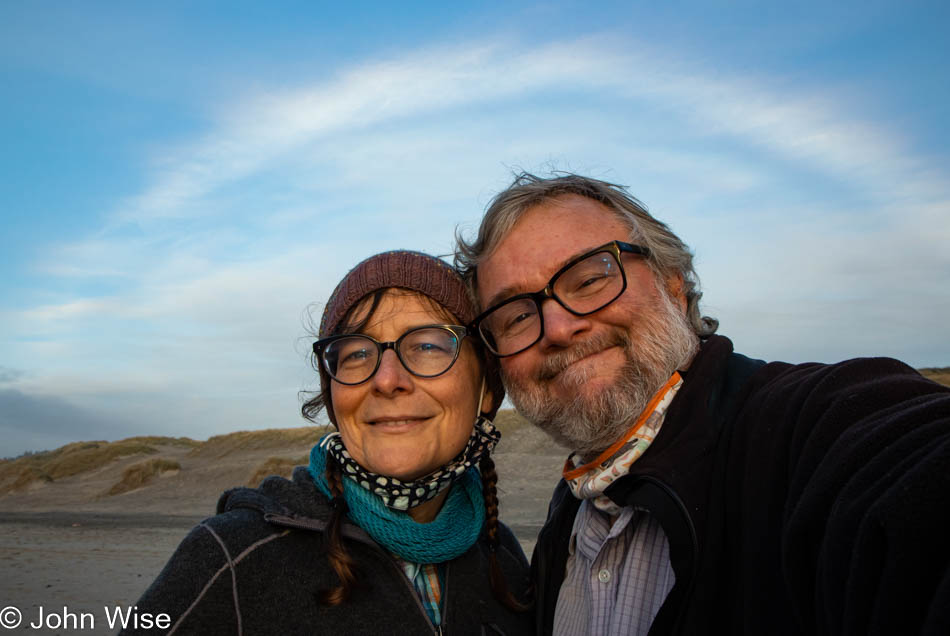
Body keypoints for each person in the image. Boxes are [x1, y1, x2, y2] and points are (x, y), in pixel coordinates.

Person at [455, 172, 950, 636]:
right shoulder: (568, 516)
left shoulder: (809, 429)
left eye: (589, 279)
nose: (560, 328)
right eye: (517, 315)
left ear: (673, 280)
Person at [123, 250, 532, 635]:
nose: (386, 380)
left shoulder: (503, 557)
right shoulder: (234, 554)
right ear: (335, 395)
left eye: (427, 345)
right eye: (355, 353)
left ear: (487, 390)